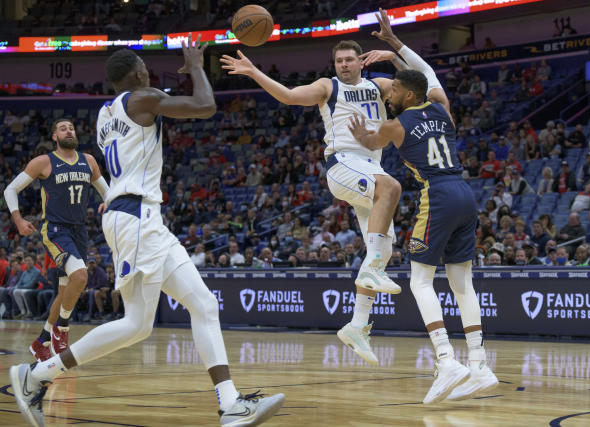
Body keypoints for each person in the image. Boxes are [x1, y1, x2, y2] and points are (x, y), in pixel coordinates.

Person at [10, 34, 284, 427]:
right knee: (137, 324)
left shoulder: (106, 113)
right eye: (145, 67)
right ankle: (36, 374)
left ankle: (230, 405)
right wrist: (194, 68)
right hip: (136, 216)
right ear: (137, 72)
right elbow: (205, 106)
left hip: (138, 216)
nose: (149, 70)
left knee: (199, 306)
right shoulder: (140, 98)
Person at [221, 9, 435, 365]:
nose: (344, 65)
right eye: (339, 60)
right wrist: (254, 71)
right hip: (342, 165)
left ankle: (357, 325)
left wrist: (393, 54)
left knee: (381, 250)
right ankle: (370, 272)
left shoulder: (379, 86)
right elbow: (290, 96)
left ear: (360, 62)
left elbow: (420, 85)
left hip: (370, 169)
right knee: (393, 188)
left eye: (350, 59)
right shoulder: (327, 87)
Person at [348, 41, 498, 404]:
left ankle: (446, 359)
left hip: (439, 195)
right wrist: (397, 48)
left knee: (420, 281)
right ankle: (478, 364)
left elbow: (369, 139)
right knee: (463, 283)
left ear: (409, 94)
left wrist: (357, 133)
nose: (390, 93)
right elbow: (429, 74)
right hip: (465, 192)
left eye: (395, 89)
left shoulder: (395, 125)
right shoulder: (443, 110)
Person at [3, 118, 109, 362]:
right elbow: (10, 189)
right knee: (81, 276)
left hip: (79, 231)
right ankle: (62, 328)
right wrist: (18, 220)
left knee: (65, 293)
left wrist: (109, 200)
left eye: (71, 127)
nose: (69, 131)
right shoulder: (44, 162)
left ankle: (41, 342)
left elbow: (107, 191)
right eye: (62, 128)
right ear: (54, 137)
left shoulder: (89, 161)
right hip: (55, 230)